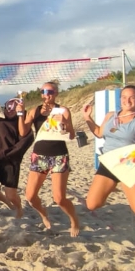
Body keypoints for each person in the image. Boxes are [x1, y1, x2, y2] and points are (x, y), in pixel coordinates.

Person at [82, 85, 135, 218]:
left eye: (132, 97)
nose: (127, 100)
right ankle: (114, 185)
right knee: (92, 204)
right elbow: (98, 133)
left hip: (131, 165)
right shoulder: (110, 115)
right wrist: (87, 117)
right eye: (124, 97)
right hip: (110, 163)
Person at [20, 81, 80, 236]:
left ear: (56, 93)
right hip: (39, 155)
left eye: (50, 92)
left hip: (59, 155)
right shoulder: (34, 111)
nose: (46, 95)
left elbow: (71, 135)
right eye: (44, 92)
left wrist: (64, 122)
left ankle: (74, 220)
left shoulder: (63, 110)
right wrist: (21, 114)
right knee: (30, 196)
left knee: (59, 199)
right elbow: (23, 132)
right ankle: (44, 214)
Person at [0, 92, 32, 216]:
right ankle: (8, 203)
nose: (11, 109)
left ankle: (19, 208)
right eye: (9, 105)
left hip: (10, 160)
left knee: (11, 194)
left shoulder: (22, 123)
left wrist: (21, 114)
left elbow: (24, 141)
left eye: (15, 106)